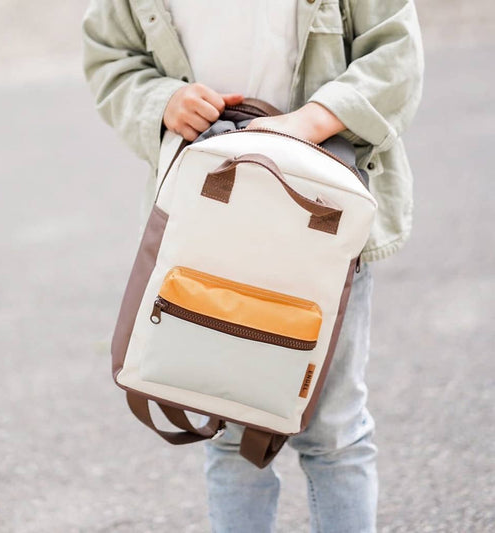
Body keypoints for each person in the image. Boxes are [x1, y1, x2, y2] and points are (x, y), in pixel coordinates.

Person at [82, 1, 424, 531]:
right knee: (227, 429)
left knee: (334, 433)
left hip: (323, 218)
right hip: (209, 219)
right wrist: (163, 101)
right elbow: (111, 57)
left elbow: (396, 51)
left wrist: (308, 124)